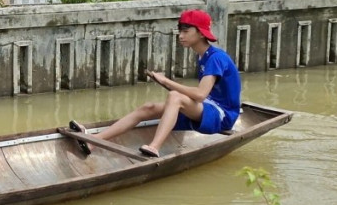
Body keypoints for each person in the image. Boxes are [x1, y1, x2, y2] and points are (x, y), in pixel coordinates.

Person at [69, 9, 241, 158]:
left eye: (186, 31)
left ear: (201, 33)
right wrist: (164, 82)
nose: (180, 36)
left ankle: (154, 147)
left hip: (223, 115)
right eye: (180, 31)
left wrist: (167, 81)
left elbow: (200, 95)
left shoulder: (216, 58)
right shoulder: (203, 56)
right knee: (148, 107)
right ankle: (94, 140)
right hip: (208, 107)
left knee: (175, 97)